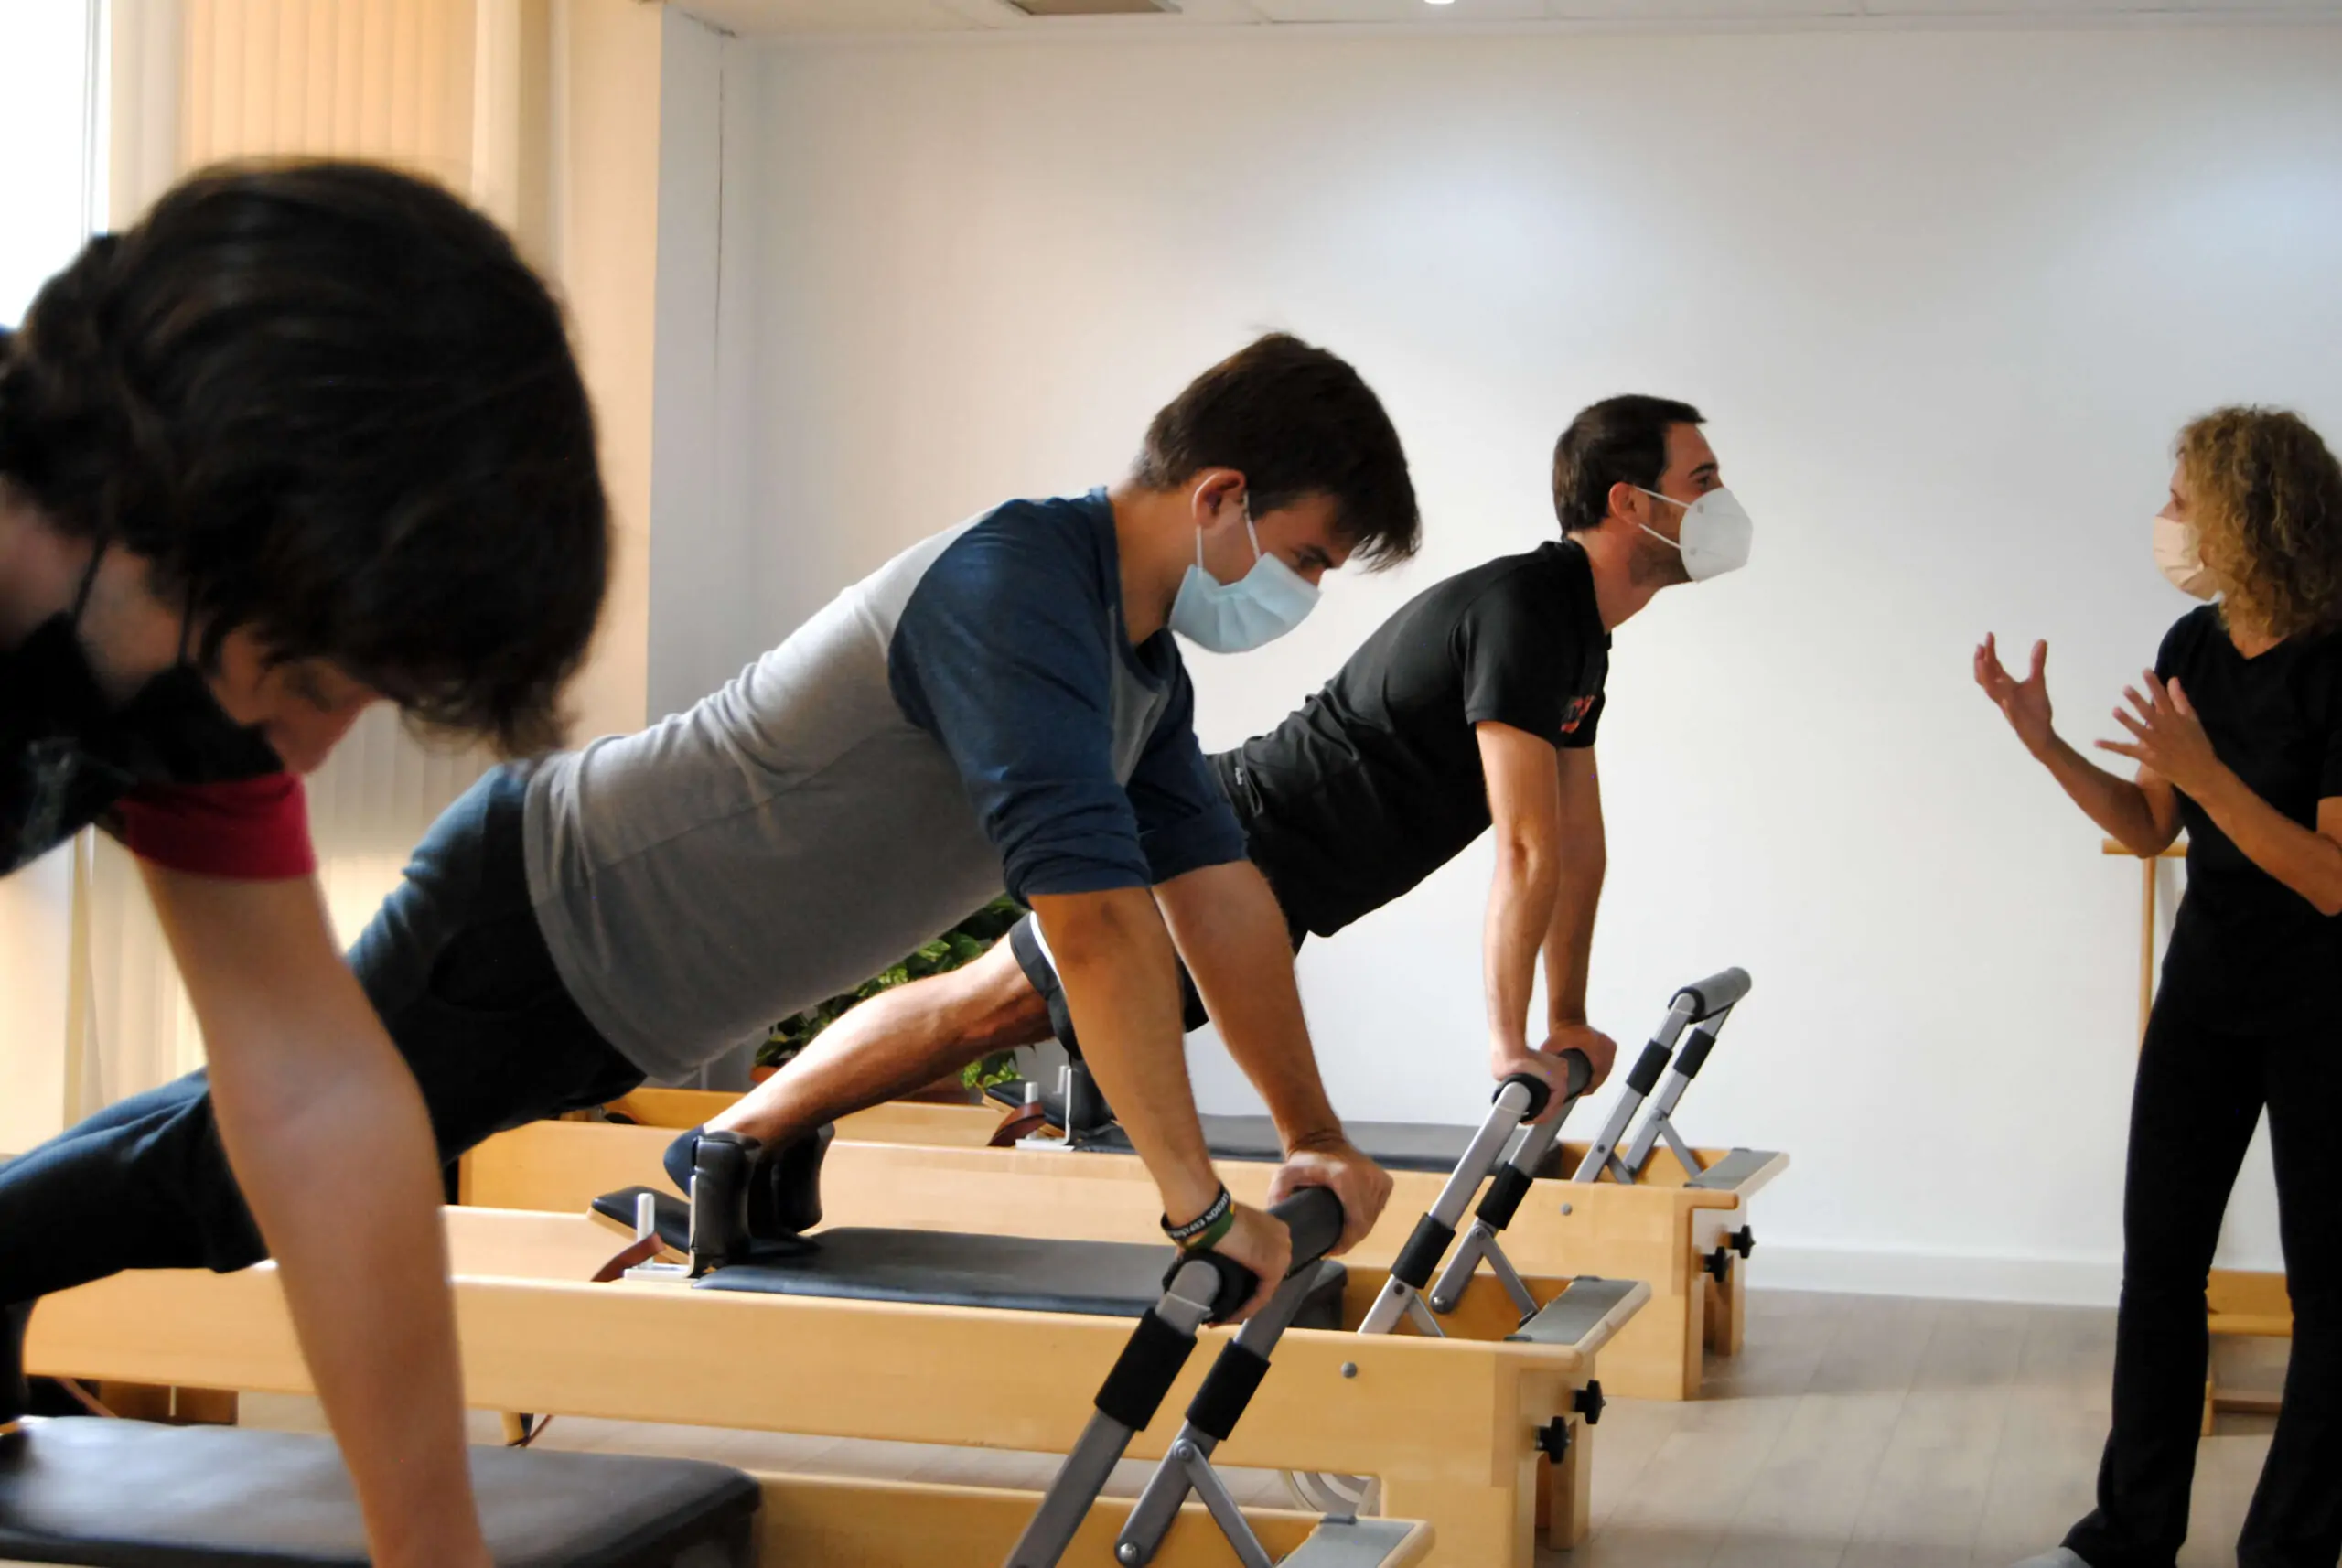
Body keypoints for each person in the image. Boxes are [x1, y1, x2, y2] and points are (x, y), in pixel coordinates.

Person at [0, 330, 1414, 1332]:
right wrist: (1194, 1210)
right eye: (1302, 557)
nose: (1297, 592)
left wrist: (1310, 1137)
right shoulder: (1018, 589)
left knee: (235, 1141)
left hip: (609, 989)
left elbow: (1216, 900)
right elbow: (1094, 926)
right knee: (245, 1179)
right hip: (547, 913)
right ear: (1220, 494)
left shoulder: (1140, 671)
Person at [0, 162, 609, 1568]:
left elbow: (318, 1091)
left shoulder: (176, 677)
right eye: (318, 680)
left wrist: (433, 1547)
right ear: (196, 514)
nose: (314, 752)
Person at [706, 394, 1751, 1153]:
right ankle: (739, 1135)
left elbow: (1576, 846)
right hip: (1235, 840)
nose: (1720, 500)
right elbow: (1523, 847)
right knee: (984, 1008)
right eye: (1701, 480)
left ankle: (775, 1129)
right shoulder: (1524, 609)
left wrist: (1564, 1017)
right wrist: (1509, 1041)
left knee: (997, 1011)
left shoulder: (1580, 637)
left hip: (1279, 889)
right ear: (1630, 501)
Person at [1978, 407, 2342, 1568]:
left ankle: (2288, 1548)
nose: (2167, 517)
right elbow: (2149, 824)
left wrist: (2208, 775)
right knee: (2159, 1268)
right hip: (2207, 997)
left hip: (2327, 1010)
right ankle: (2126, 1537)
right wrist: (2043, 742)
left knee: (2331, 1296)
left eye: (2184, 497)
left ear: (2252, 510)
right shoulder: (2191, 640)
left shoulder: (2338, 656)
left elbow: (2332, 878)